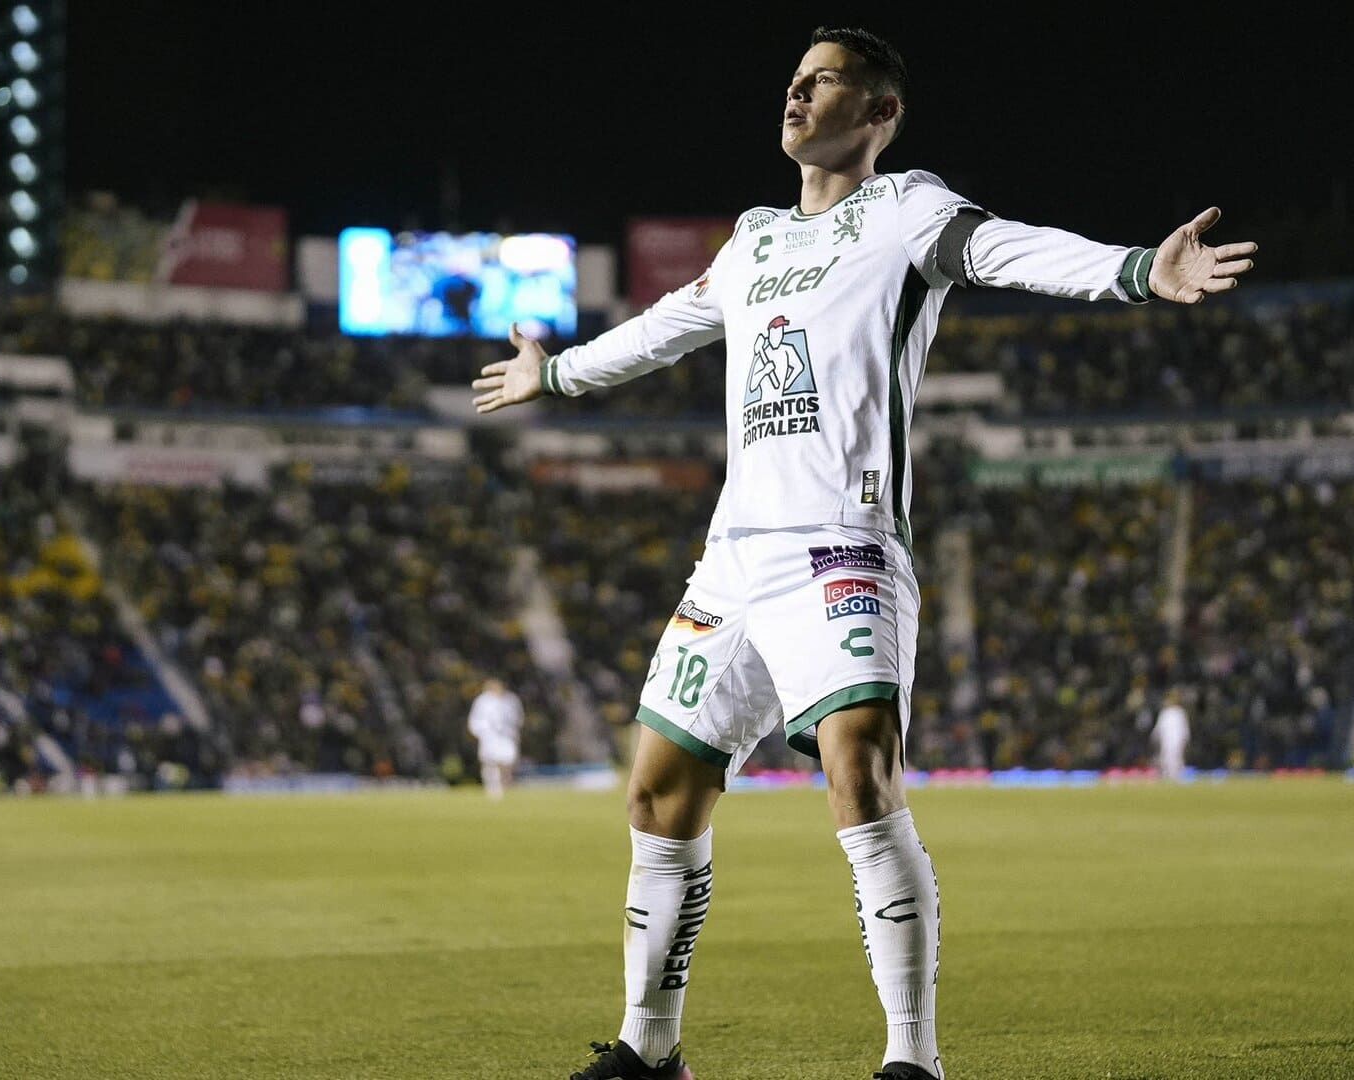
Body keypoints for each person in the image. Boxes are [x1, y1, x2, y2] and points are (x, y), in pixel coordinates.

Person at [472, 26, 1254, 1080]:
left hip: (844, 543)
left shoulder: (905, 212)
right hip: (735, 558)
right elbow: (667, 325)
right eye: (793, 80)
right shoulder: (750, 240)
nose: (796, 94)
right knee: (657, 793)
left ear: (880, 112)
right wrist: (555, 375)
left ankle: (911, 1060)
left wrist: (1132, 272)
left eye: (823, 80)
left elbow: (1004, 248)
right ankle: (650, 1053)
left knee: (859, 773)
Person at [466, 678, 524, 800]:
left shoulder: (511, 699)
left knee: (508, 761)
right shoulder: (482, 701)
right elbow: (475, 720)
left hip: (507, 737)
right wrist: (481, 732)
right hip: (489, 737)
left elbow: (518, 717)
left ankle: (506, 785)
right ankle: (492, 787)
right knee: (490, 763)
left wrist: (514, 731)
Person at [1152, 692, 1190, 781]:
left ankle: (1177, 775)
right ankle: (1166, 775)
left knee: (1177, 757)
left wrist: (1185, 738)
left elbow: (1184, 727)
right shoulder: (1165, 713)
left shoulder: (1180, 712)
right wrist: (1155, 736)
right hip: (1166, 739)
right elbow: (1159, 727)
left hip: (1177, 739)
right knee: (1165, 757)